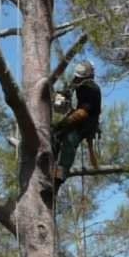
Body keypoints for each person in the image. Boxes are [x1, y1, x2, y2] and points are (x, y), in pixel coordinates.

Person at [52, 60, 101, 190]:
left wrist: (63, 123)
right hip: (78, 116)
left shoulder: (92, 89)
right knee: (55, 135)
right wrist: (60, 95)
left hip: (87, 123)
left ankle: (59, 177)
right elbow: (68, 90)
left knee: (69, 142)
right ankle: (49, 157)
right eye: (77, 77)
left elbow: (83, 113)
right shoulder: (78, 80)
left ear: (88, 76)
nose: (77, 80)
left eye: (80, 78)